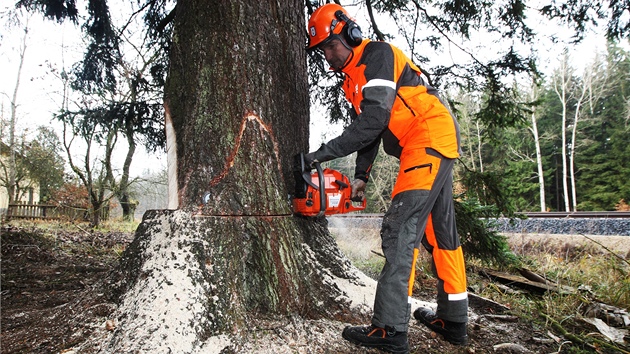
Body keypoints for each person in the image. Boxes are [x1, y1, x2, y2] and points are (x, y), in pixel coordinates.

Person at [304, 4, 469, 353]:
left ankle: (390, 329)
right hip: (432, 140)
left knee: (399, 228)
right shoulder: (353, 80)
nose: (328, 55)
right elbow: (371, 133)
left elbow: (374, 121)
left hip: (426, 139)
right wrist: (361, 175)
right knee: (439, 232)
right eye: (323, 51)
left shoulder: (376, 55)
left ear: (350, 32)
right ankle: (454, 319)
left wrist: (320, 154)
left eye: (332, 45)